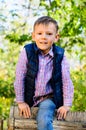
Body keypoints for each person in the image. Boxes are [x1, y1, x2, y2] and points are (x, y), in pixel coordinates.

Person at [14, 16, 74, 130]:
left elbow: (67, 81)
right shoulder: (27, 52)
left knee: (44, 119)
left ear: (56, 37)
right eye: (40, 33)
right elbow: (19, 77)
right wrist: (21, 101)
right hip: (29, 97)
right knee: (21, 120)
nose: (44, 37)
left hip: (49, 98)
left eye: (49, 34)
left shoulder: (60, 55)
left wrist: (67, 105)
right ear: (33, 36)